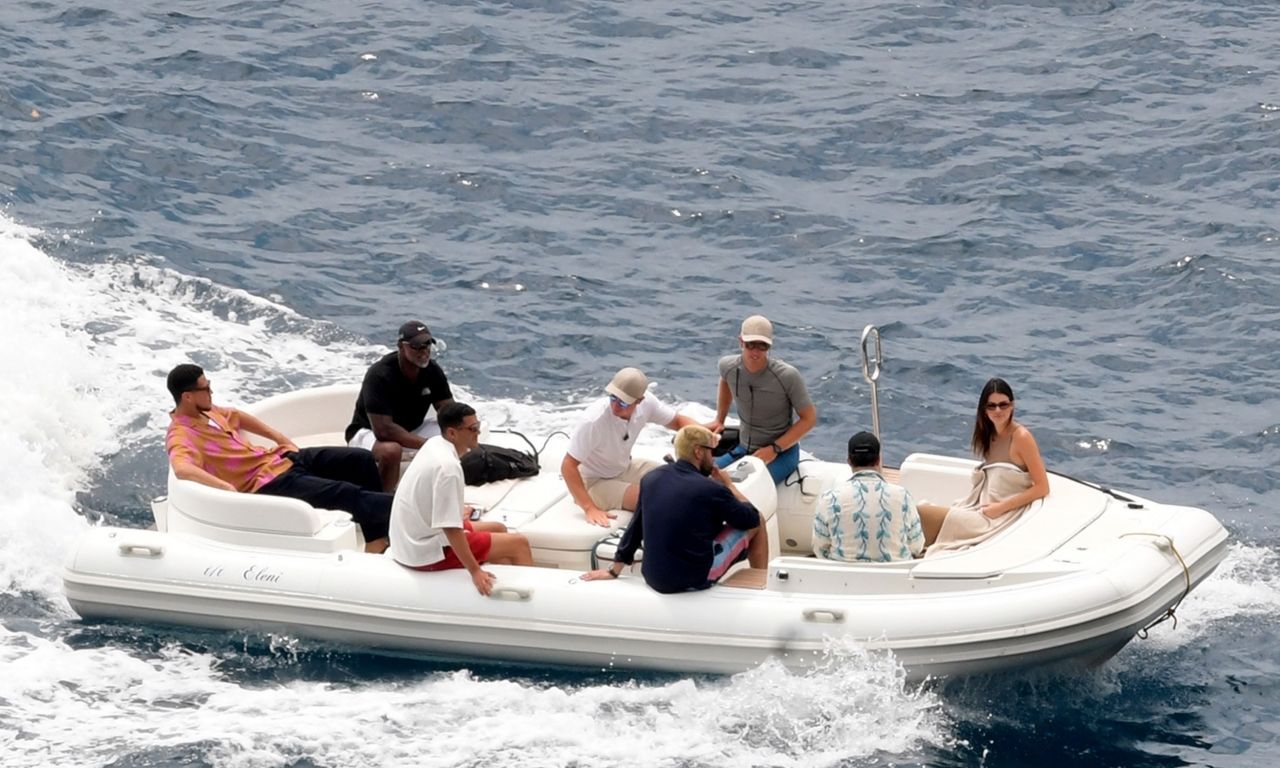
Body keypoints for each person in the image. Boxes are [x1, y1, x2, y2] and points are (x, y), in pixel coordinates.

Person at [164, 364, 391, 553]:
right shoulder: (181, 435)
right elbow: (182, 468)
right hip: (266, 482)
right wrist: (223, 485)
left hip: (280, 459)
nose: (211, 391)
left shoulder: (208, 410)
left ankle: (376, 538)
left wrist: (278, 436)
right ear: (187, 396)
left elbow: (238, 416)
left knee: (359, 459)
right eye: (206, 388)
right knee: (345, 493)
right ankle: (411, 509)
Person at [581, 425, 769, 593]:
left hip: (654, 577)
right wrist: (730, 486)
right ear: (698, 452)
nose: (714, 458)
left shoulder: (651, 479)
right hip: (693, 579)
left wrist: (614, 571)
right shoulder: (713, 489)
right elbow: (750, 519)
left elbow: (635, 527)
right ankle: (762, 587)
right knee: (758, 519)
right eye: (711, 452)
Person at [389, 402, 534, 595]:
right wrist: (475, 571)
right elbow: (451, 528)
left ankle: (505, 588)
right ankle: (531, 600)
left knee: (499, 528)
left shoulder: (433, 444)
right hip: (425, 551)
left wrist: (457, 511)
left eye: (478, 426)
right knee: (519, 544)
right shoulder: (448, 468)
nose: (478, 432)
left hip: (410, 538)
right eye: (472, 429)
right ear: (452, 433)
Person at [918, 378, 1050, 555]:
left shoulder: (1021, 437)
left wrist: (1001, 508)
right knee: (918, 511)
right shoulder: (990, 435)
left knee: (922, 513)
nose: (998, 410)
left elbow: (1042, 487)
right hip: (981, 507)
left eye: (1003, 405)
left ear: (1012, 406)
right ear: (984, 409)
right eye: (992, 406)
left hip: (1000, 517)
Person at [561, 367, 703, 527]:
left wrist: (705, 436)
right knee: (659, 498)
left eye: (623, 402)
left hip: (624, 468)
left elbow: (677, 421)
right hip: (593, 482)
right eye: (613, 398)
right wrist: (589, 509)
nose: (615, 406)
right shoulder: (593, 421)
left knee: (684, 480)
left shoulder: (648, 403)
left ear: (639, 400)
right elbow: (568, 466)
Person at [345, 320, 455, 492]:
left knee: (453, 431)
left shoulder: (432, 370)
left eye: (428, 344)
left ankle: (449, 486)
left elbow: (449, 411)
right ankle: (382, 500)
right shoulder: (380, 375)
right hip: (368, 433)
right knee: (391, 451)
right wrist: (429, 445)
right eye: (417, 346)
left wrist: (461, 430)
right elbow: (384, 430)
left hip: (410, 430)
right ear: (401, 346)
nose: (424, 351)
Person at [708, 315, 818, 485]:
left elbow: (809, 419)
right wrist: (719, 419)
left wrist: (775, 448)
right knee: (704, 480)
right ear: (740, 342)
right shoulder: (728, 366)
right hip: (744, 448)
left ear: (770, 346)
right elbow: (725, 379)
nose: (755, 352)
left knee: (748, 488)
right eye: (750, 345)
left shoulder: (787, 376)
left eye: (762, 346)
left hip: (782, 454)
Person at [812, 431, 924, 562]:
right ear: (878, 460)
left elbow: (819, 548)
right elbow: (917, 546)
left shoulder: (829, 499)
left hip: (844, 579)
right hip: (895, 577)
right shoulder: (903, 496)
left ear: (849, 461)